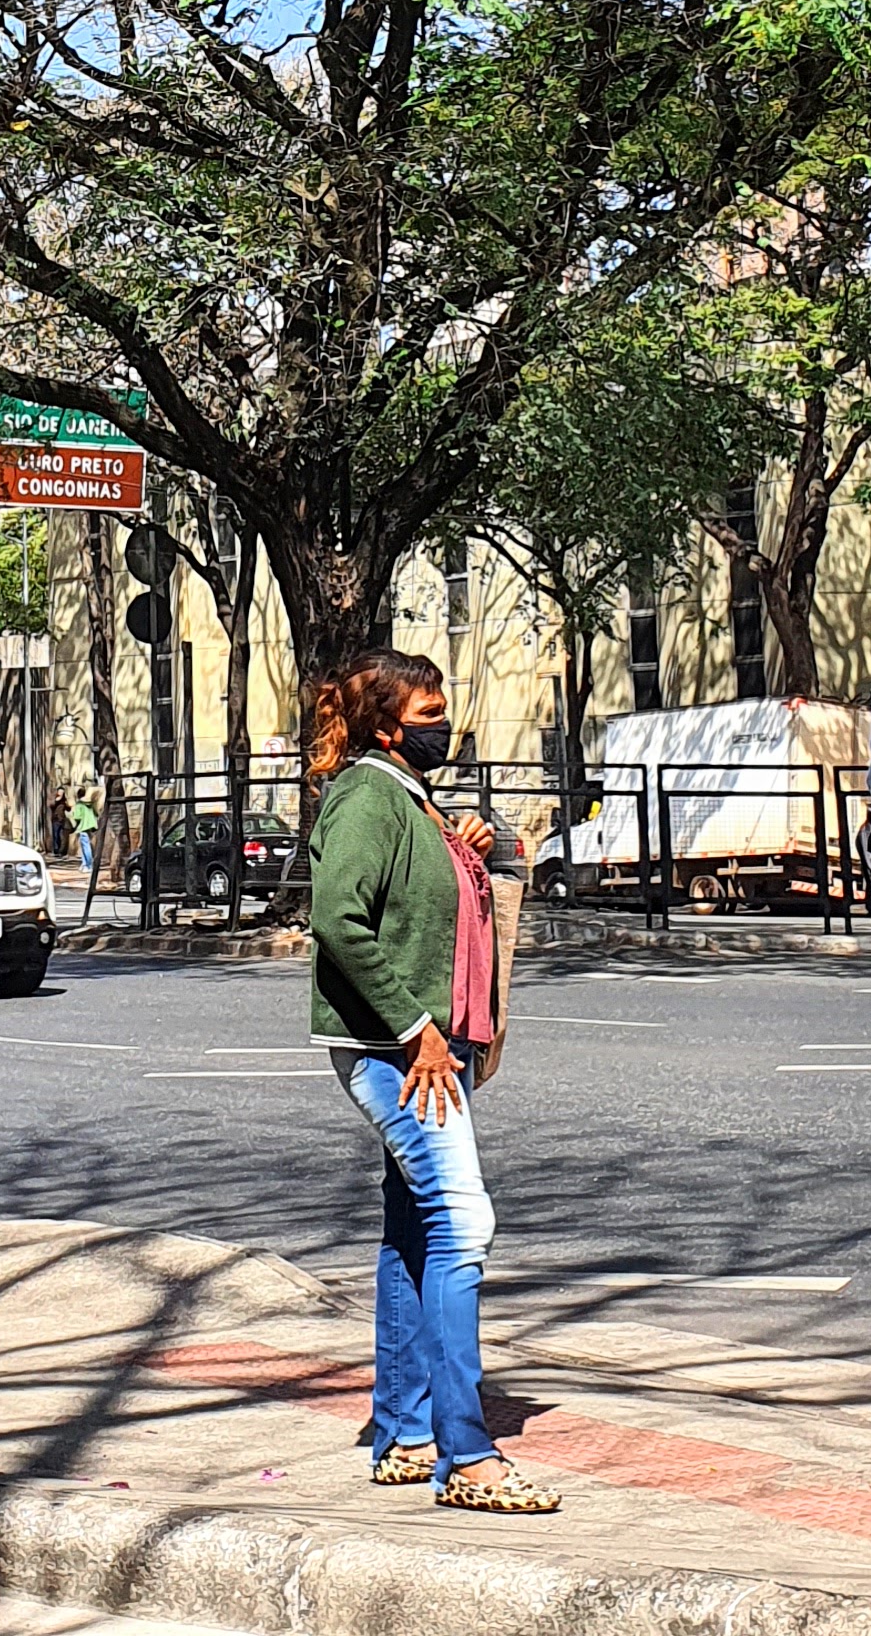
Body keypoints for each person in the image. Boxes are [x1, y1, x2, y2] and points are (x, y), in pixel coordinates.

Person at [307, 646, 559, 1515]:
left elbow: (451, 896)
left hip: (425, 1047)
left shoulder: (411, 798)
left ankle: (405, 1434)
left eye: (443, 711)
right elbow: (338, 918)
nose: (443, 725)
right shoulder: (370, 795)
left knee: (413, 1229)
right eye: (426, 716)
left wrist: (484, 846)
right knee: (464, 1222)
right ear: (384, 726)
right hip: (395, 1052)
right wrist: (416, 1030)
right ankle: (469, 1455)